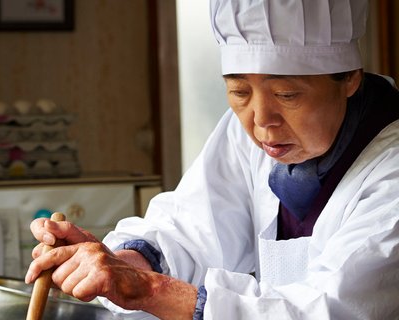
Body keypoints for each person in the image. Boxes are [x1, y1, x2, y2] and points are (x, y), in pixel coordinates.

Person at [25, 0, 399, 319]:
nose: (261, 119)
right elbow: (192, 230)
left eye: (287, 94)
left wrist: (147, 289)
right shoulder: (249, 134)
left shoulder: (391, 169)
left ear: (350, 78)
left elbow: (330, 308)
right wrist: (121, 264)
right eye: (239, 91)